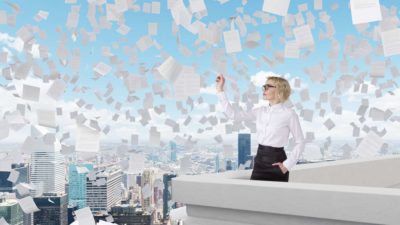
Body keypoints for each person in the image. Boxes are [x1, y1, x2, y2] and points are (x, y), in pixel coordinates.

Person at [215, 74, 305, 182]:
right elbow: (234, 115)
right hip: (259, 161)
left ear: (279, 90)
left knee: (275, 198)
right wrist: (220, 90)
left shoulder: (289, 114)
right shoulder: (260, 111)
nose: (264, 89)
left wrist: (287, 164)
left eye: (268, 86)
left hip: (277, 162)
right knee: (255, 196)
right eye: (264, 86)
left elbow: (300, 141)